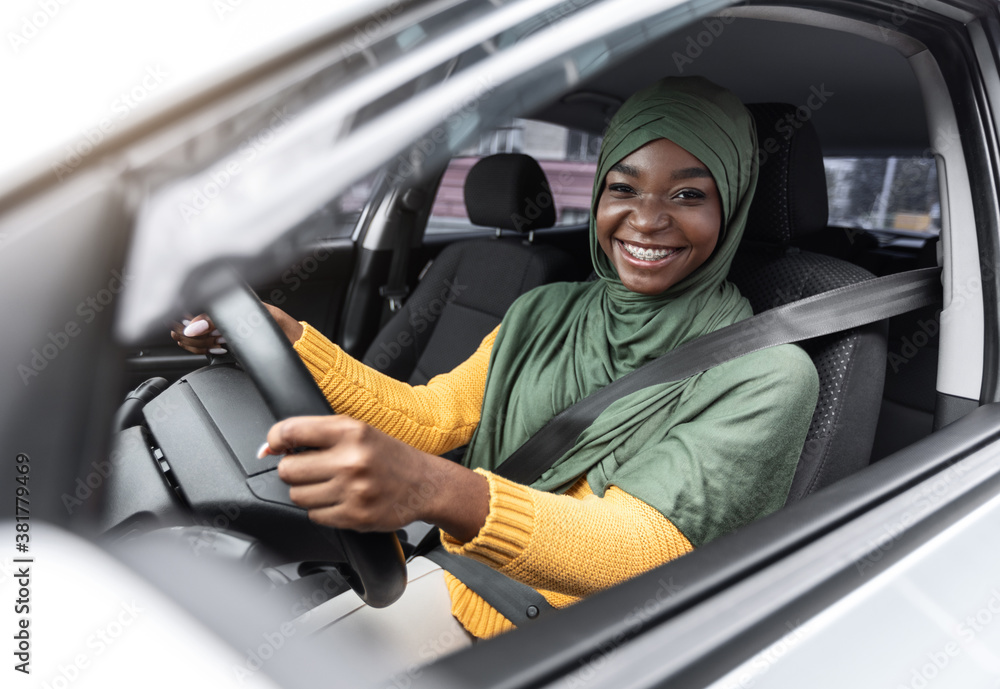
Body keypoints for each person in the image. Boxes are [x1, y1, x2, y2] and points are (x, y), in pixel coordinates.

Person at [172, 77, 819, 641]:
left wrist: (433, 489)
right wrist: (289, 340)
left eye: (687, 195)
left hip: (587, 644)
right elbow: (431, 417)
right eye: (624, 186)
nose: (646, 219)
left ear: (731, 207)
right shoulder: (546, 310)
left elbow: (639, 545)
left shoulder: (768, 373)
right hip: (454, 580)